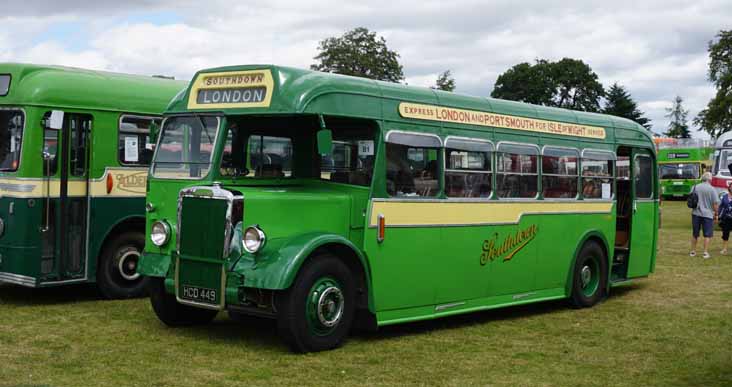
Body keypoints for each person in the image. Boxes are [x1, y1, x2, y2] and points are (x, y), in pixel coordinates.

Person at [690, 172, 720, 259]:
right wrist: (716, 214)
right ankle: (705, 252)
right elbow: (715, 204)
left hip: (696, 213)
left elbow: (691, 198)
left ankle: (693, 251)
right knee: (707, 235)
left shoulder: (695, 187)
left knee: (695, 233)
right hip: (708, 214)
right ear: (710, 179)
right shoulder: (712, 189)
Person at [718, 184, 732, 254]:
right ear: (729, 188)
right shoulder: (724, 197)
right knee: (725, 234)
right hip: (726, 218)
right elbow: (720, 207)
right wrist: (718, 216)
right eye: (731, 187)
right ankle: (724, 249)